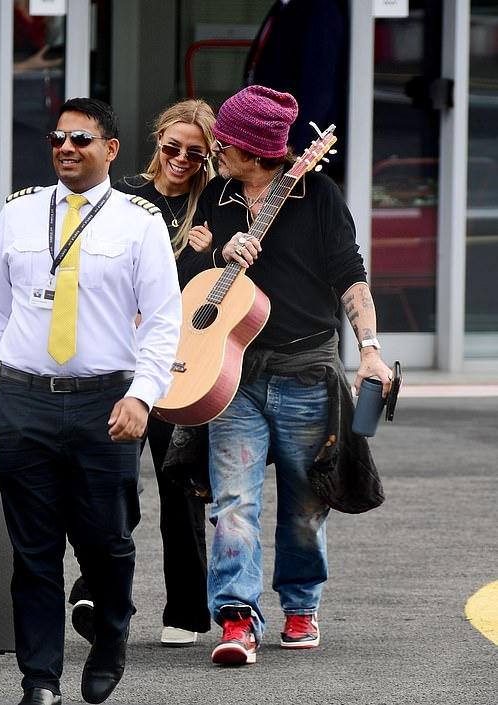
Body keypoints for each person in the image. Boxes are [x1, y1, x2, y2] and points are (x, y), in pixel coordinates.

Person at [0, 97, 182, 705]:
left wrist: (143, 397)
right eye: (58, 139)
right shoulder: (19, 216)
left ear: (112, 149)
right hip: (23, 402)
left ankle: (110, 634)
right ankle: (40, 680)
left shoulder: (140, 222)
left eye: (81, 139)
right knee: (33, 553)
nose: (67, 148)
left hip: (106, 403)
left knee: (107, 543)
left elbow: (162, 322)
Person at [175, 85, 393, 666]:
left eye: (226, 142)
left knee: (304, 504)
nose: (215, 148)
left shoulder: (317, 194)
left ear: (254, 150)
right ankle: (236, 617)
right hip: (233, 374)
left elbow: (351, 277)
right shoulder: (217, 195)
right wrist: (220, 254)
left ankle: (300, 605)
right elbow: (191, 278)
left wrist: (369, 349)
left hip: (305, 370)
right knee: (232, 503)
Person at [69, 98, 216, 648]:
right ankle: (95, 590)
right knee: (110, 486)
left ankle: (186, 611)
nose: (180, 159)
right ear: (156, 141)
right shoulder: (124, 196)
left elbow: (222, 286)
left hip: (186, 367)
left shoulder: (214, 207)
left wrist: (212, 252)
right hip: (119, 365)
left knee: (180, 491)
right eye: (171, 146)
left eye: (195, 153)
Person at [244, 0, 348, 180]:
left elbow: (317, 87)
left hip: (296, 146)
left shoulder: (320, 7)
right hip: (274, 137)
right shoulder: (285, 5)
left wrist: (299, 153)